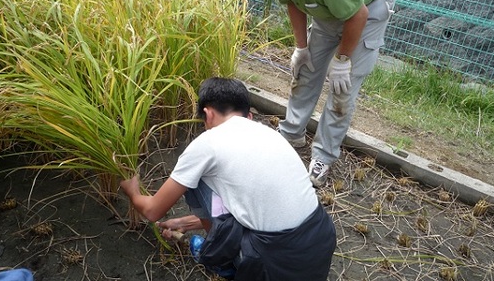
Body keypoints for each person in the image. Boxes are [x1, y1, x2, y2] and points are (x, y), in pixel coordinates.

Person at [222, 0, 396, 187]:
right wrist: (301, 48)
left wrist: (342, 60)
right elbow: (294, 3)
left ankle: (324, 156)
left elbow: (357, 15)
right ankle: (292, 133)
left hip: (368, 5)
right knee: (305, 71)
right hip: (328, 7)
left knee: (342, 88)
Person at [120, 77, 336, 281]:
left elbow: (152, 211)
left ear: (208, 114)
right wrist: (188, 222)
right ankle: (224, 248)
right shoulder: (269, 133)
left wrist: (132, 191)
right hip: (319, 245)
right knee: (222, 180)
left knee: (196, 181)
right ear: (248, 116)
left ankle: (220, 259)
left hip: (273, 266)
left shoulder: (207, 144)